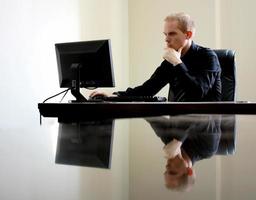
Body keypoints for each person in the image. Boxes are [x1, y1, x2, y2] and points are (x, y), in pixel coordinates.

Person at [90, 12, 221, 102]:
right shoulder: (171, 60)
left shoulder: (208, 57)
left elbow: (198, 92)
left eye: (172, 34)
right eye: (165, 34)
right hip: (179, 126)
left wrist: (177, 63)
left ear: (188, 34)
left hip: (206, 129)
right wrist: (113, 96)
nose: (166, 39)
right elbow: (147, 89)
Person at [145, 115, 222, 191]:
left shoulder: (169, 142)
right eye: (172, 172)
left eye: (166, 172)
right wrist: (177, 141)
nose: (167, 167)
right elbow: (199, 115)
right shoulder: (208, 149)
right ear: (189, 171)